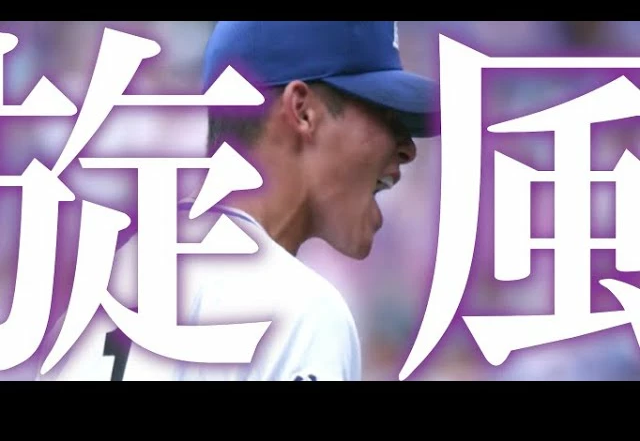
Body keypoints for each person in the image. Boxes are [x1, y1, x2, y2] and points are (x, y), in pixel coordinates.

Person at [36, 21, 440, 381]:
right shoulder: (301, 312)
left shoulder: (99, 295)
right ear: (302, 111)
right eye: (384, 114)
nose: (407, 149)